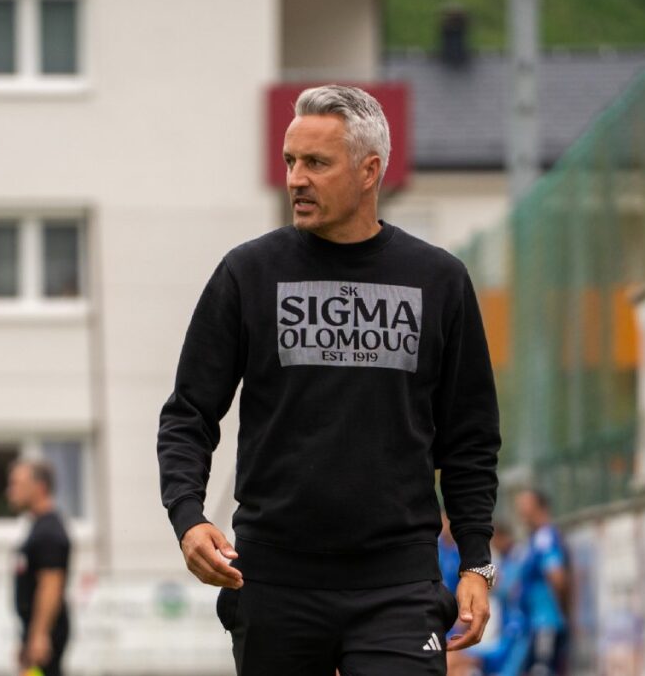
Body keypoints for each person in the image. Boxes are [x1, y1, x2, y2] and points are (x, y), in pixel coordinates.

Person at [157, 84, 502, 676]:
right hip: (273, 580)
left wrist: (475, 561)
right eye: (290, 161)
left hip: (398, 585)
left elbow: (469, 438)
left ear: (370, 171)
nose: (296, 179)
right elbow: (189, 414)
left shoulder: (439, 280)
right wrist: (188, 516)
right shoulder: (247, 273)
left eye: (316, 163)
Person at [7, 459, 71, 676]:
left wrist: (39, 635)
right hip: (36, 632)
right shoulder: (38, 527)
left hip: (46, 634)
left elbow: (51, 584)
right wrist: (27, 638)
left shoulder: (49, 531)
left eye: (16, 484)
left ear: (40, 487)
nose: (10, 491)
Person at [453, 521, 530, 676]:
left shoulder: (519, 558)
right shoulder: (503, 562)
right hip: (501, 639)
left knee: (458, 662)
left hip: (512, 639)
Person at [513, 488, 570, 675]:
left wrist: (563, 611)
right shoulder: (533, 539)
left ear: (539, 507)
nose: (520, 511)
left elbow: (557, 577)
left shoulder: (545, 537)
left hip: (546, 622)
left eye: (524, 505)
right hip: (533, 623)